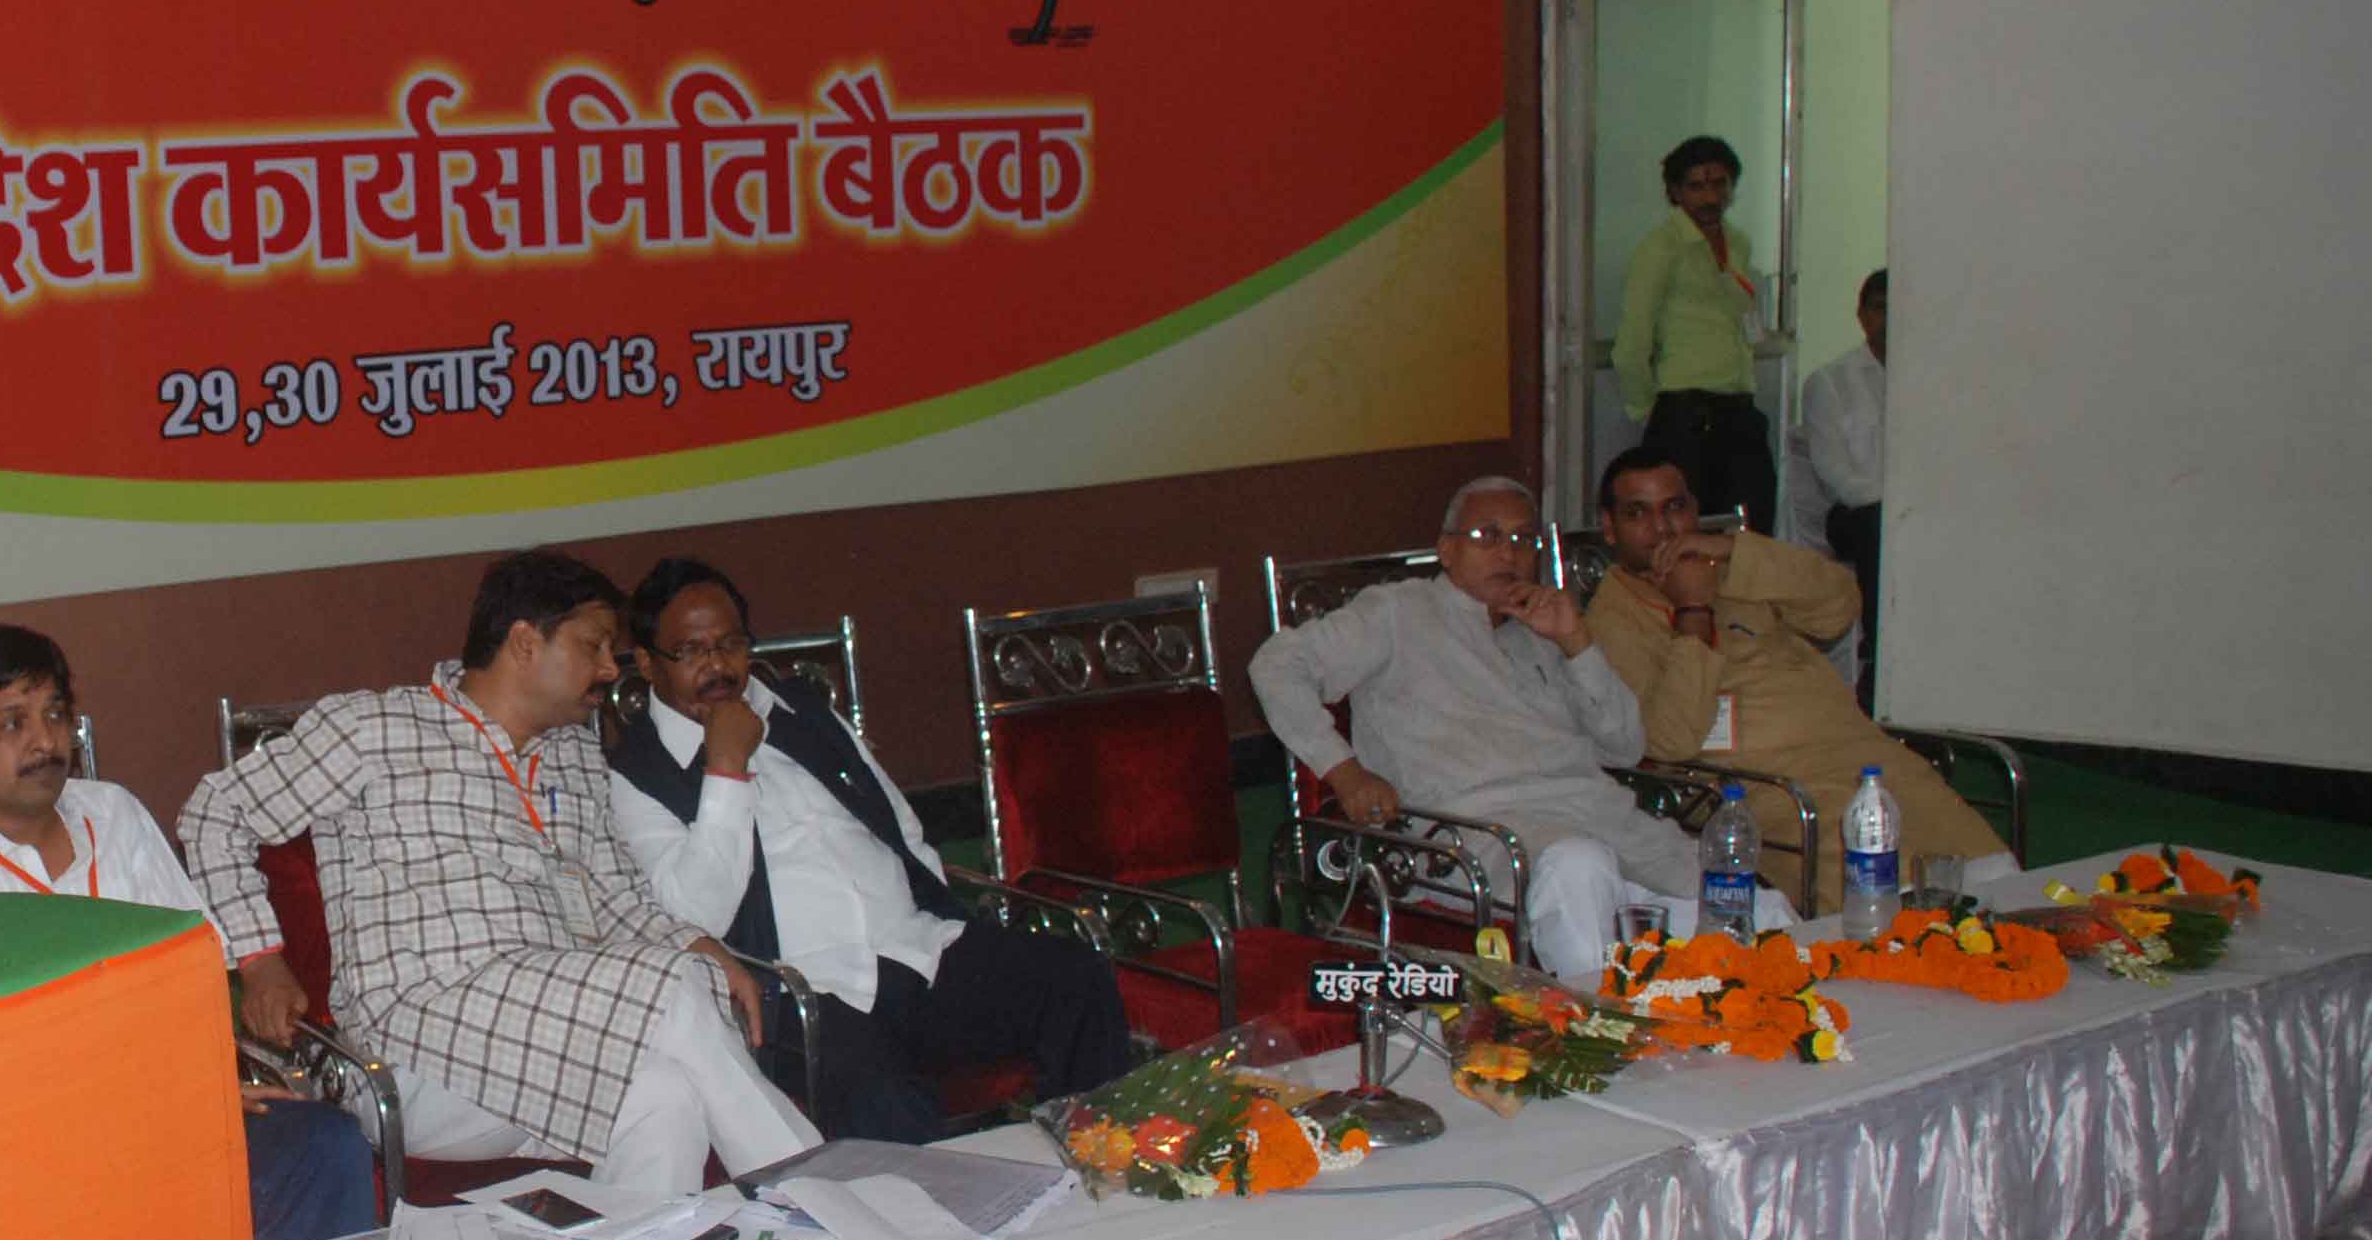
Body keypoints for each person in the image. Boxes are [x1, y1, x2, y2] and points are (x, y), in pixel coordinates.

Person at [178, 551, 819, 1195]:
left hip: (549, 1036)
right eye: (593, 646)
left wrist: (697, 943)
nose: (607, 669)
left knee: (666, 1094)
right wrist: (260, 959)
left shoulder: (572, 751)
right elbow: (215, 815)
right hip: (415, 1036)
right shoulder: (377, 729)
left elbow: (619, 898)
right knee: (677, 988)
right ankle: (820, 1203)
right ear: (523, 641)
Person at [0, 622, 373, 1240]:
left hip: (160, 1117)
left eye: (55, 715)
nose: (44, 740)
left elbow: (191, 971)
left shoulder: (114, 816)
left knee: (323, 1145)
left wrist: (207, 1082)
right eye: (11, 724)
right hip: (9, 1145)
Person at [605, 558, 1131, 1133]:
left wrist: (932, 916)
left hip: (917, 949)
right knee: (879, 1097)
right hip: (804, 991)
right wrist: (726, 765)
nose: (717, 665)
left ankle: (1092, 1170)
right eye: (691, 651)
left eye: (731, 643)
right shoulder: (633, 772)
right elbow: (694, 916)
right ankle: (945, 1220)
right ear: (649, 664)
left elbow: (900, 826)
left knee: (1075, 980)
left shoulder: (802, 710)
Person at [1247, 475, 1716, 978]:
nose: (1509, 554)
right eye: (1488, 537)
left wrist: (1576, 643)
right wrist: (1346, 773)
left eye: (1523, 540)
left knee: (1735, 903)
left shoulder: (1539, 628)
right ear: (1446, 551)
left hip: (1597, 823)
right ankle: (1599, 1036)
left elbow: (1624, 747)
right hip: (1473, 840)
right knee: (1582, 867)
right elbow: (1275, 666)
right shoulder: (1399, 612)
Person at [1581, 449, 2005, 891]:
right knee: (1902, 900)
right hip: (1774, 790)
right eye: (1638, 514)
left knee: (1990, 874)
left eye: (1675, 507)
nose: (1663, 529)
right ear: (1609, 528)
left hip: (1861, 760)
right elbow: (1670, 740)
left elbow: (1838, 607)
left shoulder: (1728, 567)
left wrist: (1732, 550)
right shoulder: (1611, 622)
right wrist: (1693, 610)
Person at [1611, 135, 1778, 536]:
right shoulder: (1661, 248)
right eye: (1696, 186)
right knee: (1684, 541)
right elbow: (1631, 346)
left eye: (1720, 184)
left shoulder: (1737, 242)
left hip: (1739, 410)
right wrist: (1648, 410)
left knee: (1753, 536)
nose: (1710, 197)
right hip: (1686, 415)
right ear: (1674, 192)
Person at [1794, 269, 1891, 702]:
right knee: (1879, 527)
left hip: (1915, 511)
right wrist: (1896, 504)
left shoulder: (1938, 382)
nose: (1890, 318)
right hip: (1854, 514)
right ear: (1861, 315)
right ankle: (1881, 658)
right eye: (1879, 308)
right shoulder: (1829, 381)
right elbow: (1835, 475)